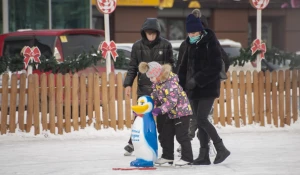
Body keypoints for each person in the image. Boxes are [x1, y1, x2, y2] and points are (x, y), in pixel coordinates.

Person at [178, 13, 231, 165]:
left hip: (208, 87)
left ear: (200, 31)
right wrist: (181, 84)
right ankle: (204, 156)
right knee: (199, 121)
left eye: (194, 32)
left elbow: (215, 67)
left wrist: (197, 79)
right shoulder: (189, 44)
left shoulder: (210, 42)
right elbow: (183, 67)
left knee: (201, 119)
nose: (191, 35)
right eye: (189, 32)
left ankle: (221, 148)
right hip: (193, 89)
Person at [123, 18, 174, 156]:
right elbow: (133, 66)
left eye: (153, 33)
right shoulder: (137, 46)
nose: (150, 36)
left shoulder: (166, 45)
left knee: (163, 117)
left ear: (157, 33)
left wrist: (170, 82)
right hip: (144, 87)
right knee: (141, 115)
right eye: (148, 33)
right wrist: (127, 84)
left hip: (162, 88)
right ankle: (133, 142)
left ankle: (166, 146)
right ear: (144, 33)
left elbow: (171, 65)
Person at [138, 61, 193, 166]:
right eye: (150, 78)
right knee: (165, 134)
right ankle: (167, 156)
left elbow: (172, 101)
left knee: (181, 136)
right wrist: (146, 106)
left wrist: (160, 109)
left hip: (182, 113)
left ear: (159, 74)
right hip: (171, 113)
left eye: (152, 77)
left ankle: (187, 158)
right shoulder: (157, 84)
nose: (151, 80)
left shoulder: (170, 83)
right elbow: (154, 96)